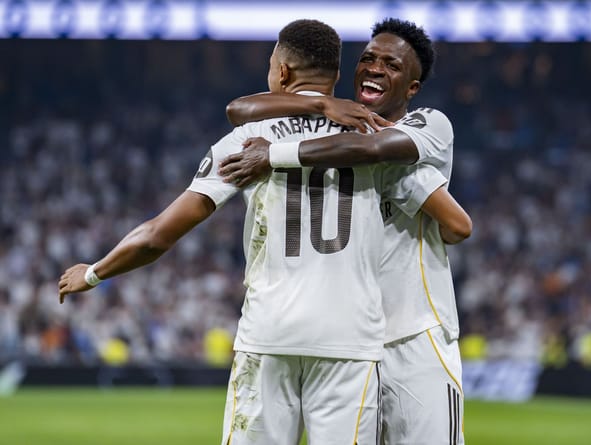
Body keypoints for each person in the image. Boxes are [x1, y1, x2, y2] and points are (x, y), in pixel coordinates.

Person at [58, 19, 449, 445]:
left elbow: (157, 236)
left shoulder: (247, 139)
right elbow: (455, 220)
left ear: (281, 72)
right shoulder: (373, 135)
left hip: (268, 334)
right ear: (338, 76)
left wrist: (93, 273)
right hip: (351, 340)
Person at [219, 18, 469, 444]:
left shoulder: (425, 126)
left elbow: (458, 224)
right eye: (368, 58)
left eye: (391, 65)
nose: (375, 68)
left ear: (412, 87)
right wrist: (320, 106)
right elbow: (238, 110)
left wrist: (274, 154)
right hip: (352, 335)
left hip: (414, 333)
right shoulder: (341, 127)